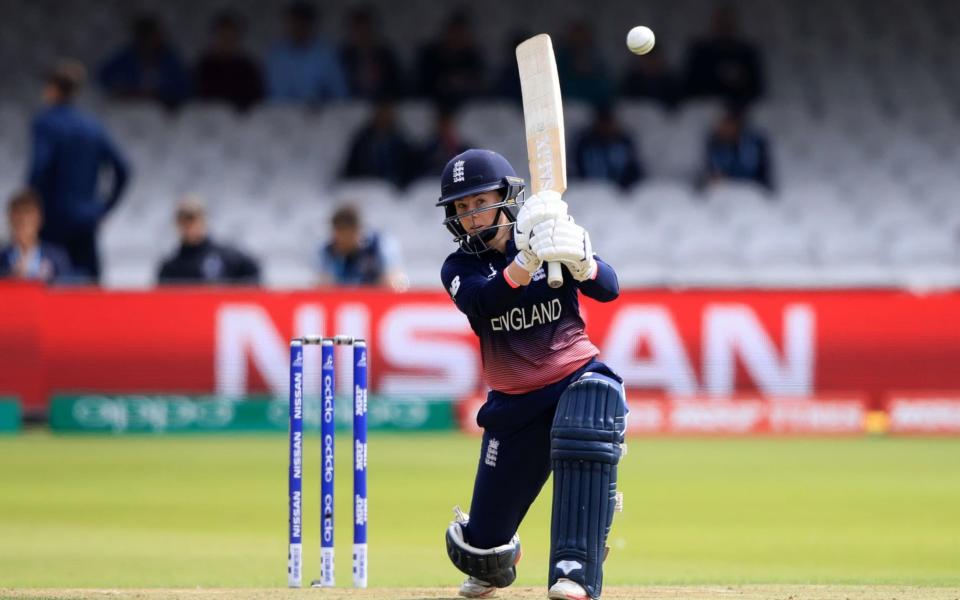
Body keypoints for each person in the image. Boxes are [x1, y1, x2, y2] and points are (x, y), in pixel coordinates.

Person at [437, 149, 627, 600]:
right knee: (481, 552)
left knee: (590, 410)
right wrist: (525, 259)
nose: (471, 216)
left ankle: (575, 568)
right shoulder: (458, 268)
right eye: (462, 208)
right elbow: (486, 303)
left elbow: (609, 287)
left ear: (506, 199)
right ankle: (497, 551)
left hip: (572, 379)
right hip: (513, 404)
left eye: (479, 202)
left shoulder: (551, 242)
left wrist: (583, 261)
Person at [28, 59, 131, 283]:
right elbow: (123, 169)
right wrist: (104, 208)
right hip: (86, 219)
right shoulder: (92, 127)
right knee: (88, 288)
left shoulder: (45, 124)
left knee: (51, 283)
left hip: (52, 220)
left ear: (53, 89)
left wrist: (32, 205)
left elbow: (40, 167)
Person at [157, 196, 260, 285]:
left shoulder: (228, 257)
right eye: (185, 221)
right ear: (178, 224)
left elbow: (253, 275)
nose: (190, 227)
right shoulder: (170, 267)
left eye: (194, 221)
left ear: (204, 222)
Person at [97, 15, 191, 108]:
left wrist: (162, 94)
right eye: (145, 36)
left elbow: (184, 86)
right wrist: (121, 88)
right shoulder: (127, 57)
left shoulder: (169, 59)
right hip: (130, 107)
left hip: (160, 110)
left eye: (153, 36)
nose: (149, 41)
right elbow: (103, 75)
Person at [265, 2, 348, 104]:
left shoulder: (326, 54)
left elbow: (340, 94)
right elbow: (271, 96)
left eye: (302, 23)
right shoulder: (277, 56)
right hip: (282, 114)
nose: (297, 27)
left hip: (321, 115)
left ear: (310, 25)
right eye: (293, 22)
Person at [682, 4, 765, 105]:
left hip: (741, 108)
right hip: (705, 106)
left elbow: (757, 89)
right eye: (721, 21)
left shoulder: (747, 53)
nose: (724, 26)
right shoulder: (700, 52)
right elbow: (689, 87)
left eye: (728, 22)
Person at [318, 204, 406, 290]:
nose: (341, 241)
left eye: (346, 235)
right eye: (337, 235)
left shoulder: (379, 245)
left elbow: (396, 281)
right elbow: (322, 285)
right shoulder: (327, 251)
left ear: (357, 231)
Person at [194, 11, 264, 111]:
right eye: (222, 35)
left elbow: (256, 101)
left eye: (230, 36)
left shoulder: (248, 68)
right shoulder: (203, 66)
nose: (226, 40)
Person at [415, 11, 486, 107]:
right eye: (455, 32)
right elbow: (422, 84)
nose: (458, 37)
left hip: (465, 106)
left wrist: (463, 82)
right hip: (431, 105)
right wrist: (445, 82)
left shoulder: (473, 56)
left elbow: (481, 85)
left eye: (462, 33)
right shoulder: (430, 54)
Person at [0, 189, 72, 283]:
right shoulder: (2, 257)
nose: (23, 220)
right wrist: (10, 276)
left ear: (39, 219)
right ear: (10, 218)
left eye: (28, 213)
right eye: (18, 214)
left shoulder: (57, 257)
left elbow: (68, 288)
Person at [342, 100, 417, 188]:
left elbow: (409, 169)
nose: (384, 118)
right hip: (368, 185)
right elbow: (351, 169)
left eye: (387, 114)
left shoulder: (401, 141)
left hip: (394, 187)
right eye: (381, 113)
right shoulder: (362, 141)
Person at [701, 104, 773, 190]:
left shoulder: (755, 143)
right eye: (722, 123)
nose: (725, 128)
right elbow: (708, 173)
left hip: (751, 191)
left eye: (729, 123)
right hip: (724, 191)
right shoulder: (713, 144)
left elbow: (764, 175)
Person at [339, 6, 406, 100]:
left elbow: (398, 85)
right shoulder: (343, 57)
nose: (362, 35)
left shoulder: (386, 55)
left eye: (366, 29)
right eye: (357, 30)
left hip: (382, 105)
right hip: (351, 106)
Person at [573, 105, 645, 190]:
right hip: (590, 190)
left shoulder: (624, 142)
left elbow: (635, 170)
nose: (606, 128)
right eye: (603, 124)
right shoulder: (584, 143)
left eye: (609, 123)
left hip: (619, 193)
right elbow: (576, 169)